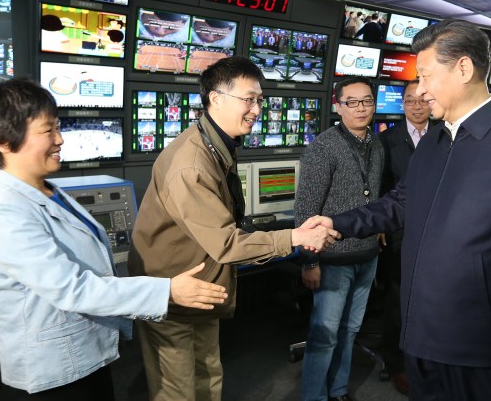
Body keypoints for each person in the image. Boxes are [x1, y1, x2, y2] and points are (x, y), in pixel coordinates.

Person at [305, 20, 491, 399]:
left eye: (427, 76)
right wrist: (338, 223)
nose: (422, 89)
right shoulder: (435, 138)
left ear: (463, 69)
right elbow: (401, 202)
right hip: (421, 337)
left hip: (481, 347)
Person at [0, 78, 228, 399]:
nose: (60, 140)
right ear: (4, 141)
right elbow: (72, 288)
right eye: (48, 131)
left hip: (86, 353)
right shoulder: (4, 212)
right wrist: (167, 290)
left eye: (57, 128)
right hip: (55, 371)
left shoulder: (50, 191)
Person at [128, 56, 338, 401]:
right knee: (178, 389)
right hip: (172, 291)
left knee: (208, 373)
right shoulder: (191, 163)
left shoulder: (216, 143)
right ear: (216, 99)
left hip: (201, 286)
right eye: (249, 99)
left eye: (259, 100)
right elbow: (226, 243)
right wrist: (296, 236)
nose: (256, 109)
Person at [296, 76, 384, 401]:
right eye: (353, 102)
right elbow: (306, 210)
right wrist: (309, 260)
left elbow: (375, 198)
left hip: (368, 255)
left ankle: (338, 391)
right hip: (332, 261)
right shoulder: (323, 147)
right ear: (338, 106)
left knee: (349, 331)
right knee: (325, 335)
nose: (361, 108)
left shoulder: (376, 144)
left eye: (367, 101)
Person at [376, 79, 438, 395]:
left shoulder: (445, 135)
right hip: (401, 231)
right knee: (399, 301)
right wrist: (383, 228)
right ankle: (396, 363)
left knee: (432, 298)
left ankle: (426, 358)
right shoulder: (386, 142)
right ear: (402, 105)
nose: (417, 106)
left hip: (438, 230)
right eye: (410, 101)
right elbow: (380, 189)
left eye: (422, 100)